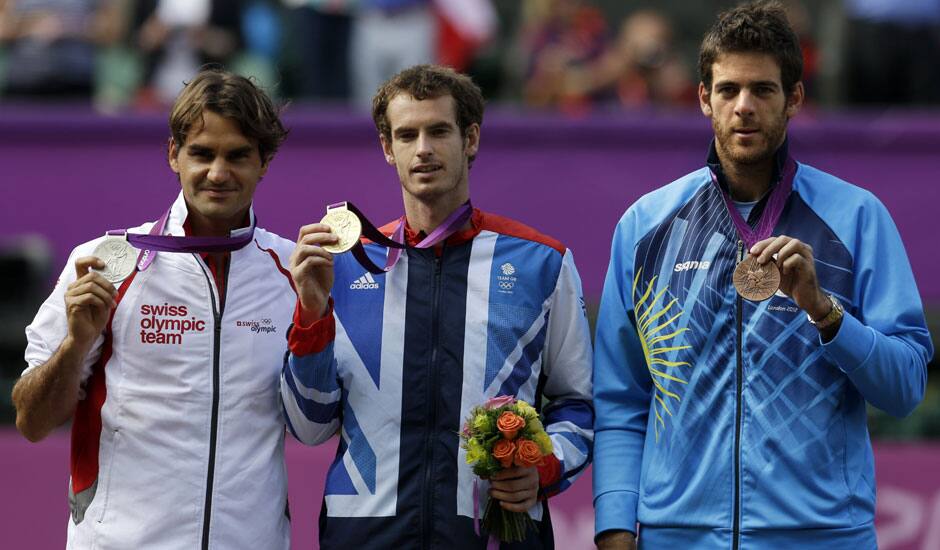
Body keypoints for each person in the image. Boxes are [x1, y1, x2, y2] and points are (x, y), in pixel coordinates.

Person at [592, 2, 933, 549]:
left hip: (819, 537)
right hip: (677, 537)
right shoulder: (645, 225)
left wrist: (826, 314)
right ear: (704, 98)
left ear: (794, 98)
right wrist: (613, 526)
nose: (743, 107)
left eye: (763, 90)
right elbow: (619, 398)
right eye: (727, 90)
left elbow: (905, 388)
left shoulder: (856, 217)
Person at [281, 64, 594, 548]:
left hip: (493, 534)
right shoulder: (345, 265)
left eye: (438, 131)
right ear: (388, 149)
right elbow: (309, 425)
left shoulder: (541, 262)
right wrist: (312, 314)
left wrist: (543, 466)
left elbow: (579, 404)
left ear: (470, 139)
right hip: (365, 536)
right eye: (407, 135)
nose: (423, 148)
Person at [13, 68, 295, 549]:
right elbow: (32, 421)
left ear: (265, 161)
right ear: (173, 155)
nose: (218, 173)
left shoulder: (290, 272)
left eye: (238, 155)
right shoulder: (107, 262)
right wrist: (76, 343)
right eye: (202, 154)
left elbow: (317, 422)